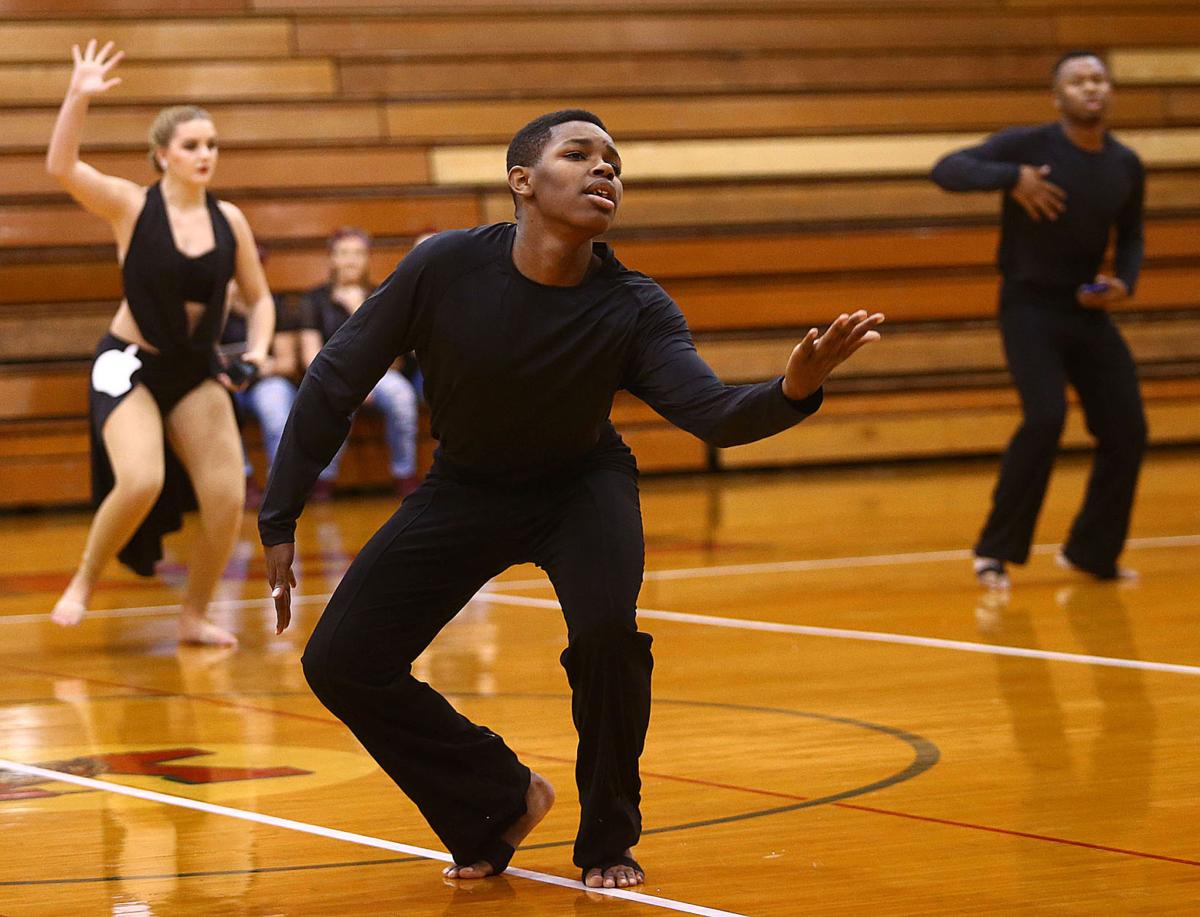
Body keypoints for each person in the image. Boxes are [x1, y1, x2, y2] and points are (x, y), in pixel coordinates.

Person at [260, 110, 884, 888]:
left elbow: (714, 414)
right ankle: (497, 799)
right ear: (521, 182)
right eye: (580, 154)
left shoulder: (634, 305)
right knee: (341, 662)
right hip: (467, 486)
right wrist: (279, 512)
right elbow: (336, 377)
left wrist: (792, 391)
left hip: (581, 487)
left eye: (614, 162)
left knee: (606, 640)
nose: (604, 170)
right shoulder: (443, 267)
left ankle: (609, 838)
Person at [47, 40, 275, 646]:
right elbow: (62, 168)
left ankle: (194, 614)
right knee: (141, 478)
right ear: (163, 155)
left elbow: (261, 297)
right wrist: (78, 96)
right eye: (192, 145)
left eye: (212, 144)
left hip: (195, 370)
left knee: (228, 497)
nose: (206, 154)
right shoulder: (129, 205)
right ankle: (84, 579)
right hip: (127, 365)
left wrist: (256, 349)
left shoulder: (230, 220)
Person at [931, 51, 1147, 590]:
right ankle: (994, 551)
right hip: (1029, 307)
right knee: (1046, 417)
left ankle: (1091, 553)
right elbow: (947, 169)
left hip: (1087, 311)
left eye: (1099, 79)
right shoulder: (1027, 146)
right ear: (1058, 97)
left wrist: (1124, 280)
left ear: (1110, 91)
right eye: (1078, 81)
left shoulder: (1125, 163)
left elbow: (1134, 233)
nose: (1091, 87)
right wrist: (1012, 178)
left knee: (1127, 431)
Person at [297, 227, 420, 499]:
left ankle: (405, 474)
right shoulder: (313, 300)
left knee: (402, 395)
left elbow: (395, 359)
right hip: (332, 376)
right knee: (337, 398)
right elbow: (310, 358)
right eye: (343, 253)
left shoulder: (385, 295)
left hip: (379, 374)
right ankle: (324, 480)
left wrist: (357, 311)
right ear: (331, 259)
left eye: (357, 254)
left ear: (367, 259)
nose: (350, 261)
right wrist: (351, 383)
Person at [220, 269, 307, 507]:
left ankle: (280, 483)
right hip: (225, 384)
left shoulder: (274, 306)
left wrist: (258, 366)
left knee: (275, 405)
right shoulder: (214, 310)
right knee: (219, 405)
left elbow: (287, 362)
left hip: (265, 380)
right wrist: (223, 304)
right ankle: (244, 480)